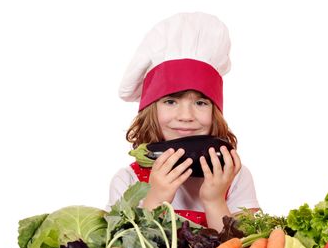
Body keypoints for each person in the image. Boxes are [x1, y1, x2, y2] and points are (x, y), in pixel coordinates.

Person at [108, 12, 259, 231]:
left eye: (200, 103)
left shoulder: (236, 176)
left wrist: (214, 200)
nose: (186, 116)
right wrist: (156, 198)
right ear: (150, 111)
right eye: (170, 102)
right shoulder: (128, 180)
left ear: (215, 112)